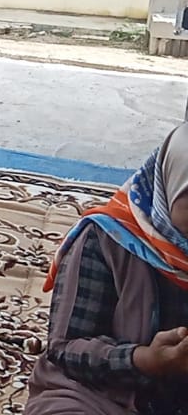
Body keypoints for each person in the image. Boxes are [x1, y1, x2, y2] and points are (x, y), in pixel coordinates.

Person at [25, 123, 188, 414]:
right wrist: (144, 359)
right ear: (168, 187)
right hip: (102, 394)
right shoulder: (107, 239)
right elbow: (66, 347)